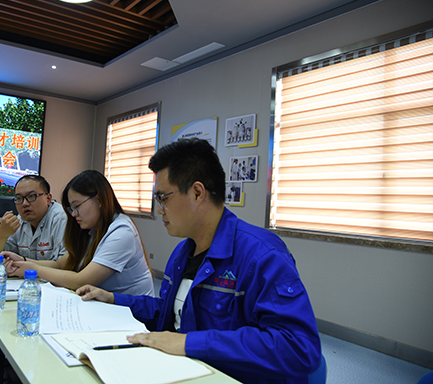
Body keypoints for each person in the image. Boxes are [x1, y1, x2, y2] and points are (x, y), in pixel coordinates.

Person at [77, 138, 321, 384]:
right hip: (185, 371)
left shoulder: (262, 255)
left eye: (163, 198)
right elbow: (170, 312)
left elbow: (298, 348)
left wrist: (189, 343)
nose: (159, 209)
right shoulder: (182, 253)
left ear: (197, 193)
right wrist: (114, 299)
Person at [4, 170, 154, 296]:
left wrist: (33, 269)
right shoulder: (92, 230)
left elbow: (81, 281)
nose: (74, 214)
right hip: (103, 305)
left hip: (131, 313)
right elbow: (60, 265)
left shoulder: (121, 232)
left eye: (77, 206)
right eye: (71, 208)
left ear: (99, 200)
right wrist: (23, 261)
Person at [0, 175, 67, 262]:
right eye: (19, 198)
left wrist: (24, 262)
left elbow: (64, 264)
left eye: (31, 196)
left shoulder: (62, 219)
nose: (24, 203)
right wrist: (2, 233)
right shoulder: (20, 220)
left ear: (48, 199)